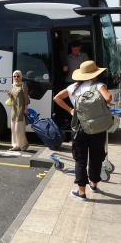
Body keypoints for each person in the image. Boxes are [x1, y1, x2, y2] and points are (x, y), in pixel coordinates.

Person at [54, 61, 111, 201]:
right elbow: (108, 98)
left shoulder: (73, 87)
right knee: (96, 157)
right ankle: (94, 184)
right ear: (94, 74)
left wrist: (71, 110)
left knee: (80, 160)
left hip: (79, 127)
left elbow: (57, 98)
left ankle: (81, 192)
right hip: (97, 127)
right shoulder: (98, 86)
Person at [6, 70, 30, 151]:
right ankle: (16, 145)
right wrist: (10, 95)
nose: (16, 78)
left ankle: (24, 144)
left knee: (19, 129)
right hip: (14, 109)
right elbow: (14, 97)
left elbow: (26, 98)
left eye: (18, 76)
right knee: (13, 129)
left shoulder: (23, 85)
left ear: (21, 76)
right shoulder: (13, 85)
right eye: (14, 76)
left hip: (21, 109)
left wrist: (25, 108)